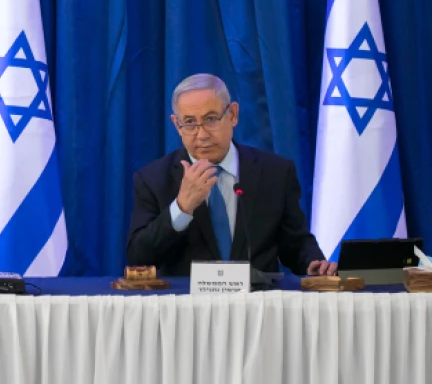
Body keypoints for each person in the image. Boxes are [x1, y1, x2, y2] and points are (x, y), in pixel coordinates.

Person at [126, 73, 336, 277]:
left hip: (258, 305)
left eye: (211, 119)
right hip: (187, 308)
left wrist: (313, 265)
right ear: (177, 125)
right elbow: (140, 258)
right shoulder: (153, 179)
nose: (202, 134)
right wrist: (181, 208)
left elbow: (295, 244)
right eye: (189, 122)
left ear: (233, 115)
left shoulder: (276, 173)